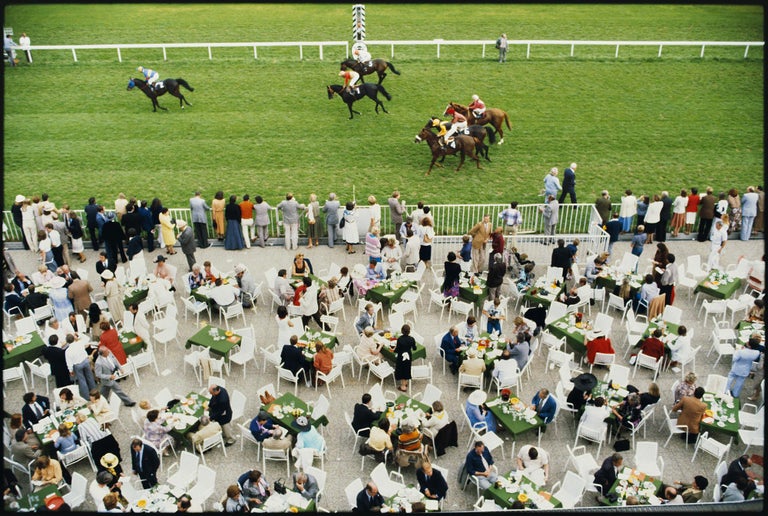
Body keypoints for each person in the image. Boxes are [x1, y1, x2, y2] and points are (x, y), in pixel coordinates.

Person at [66, 333, 97, 400]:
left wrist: (70, 370)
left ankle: (87, 396)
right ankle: (94, 391)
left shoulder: (67, 351)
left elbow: (69, 362)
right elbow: (86, 340)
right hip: (85, 361)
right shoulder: (80, 343)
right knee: (90, 376)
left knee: (82, 380)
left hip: (77, 365)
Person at [395, 324, 417, 392]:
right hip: (408, 356)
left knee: (401, 370)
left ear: (402, 331)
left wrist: (394, 349)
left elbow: (397, 349)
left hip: (401, 356)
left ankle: (403, 386)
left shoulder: (400, 339)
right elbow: (414, 348)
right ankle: (405, 383)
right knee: (407, 368)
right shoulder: (412, 339)